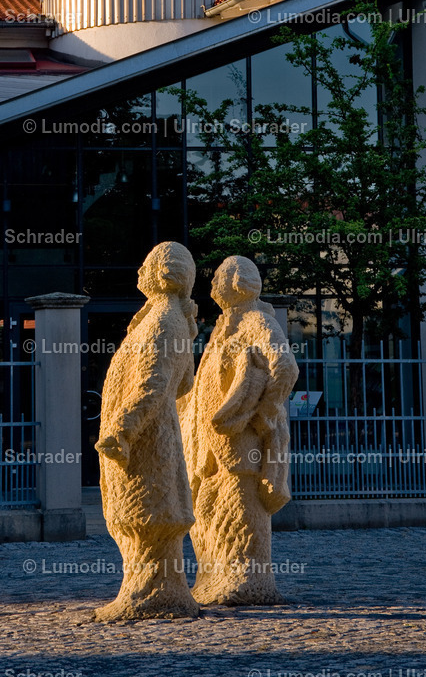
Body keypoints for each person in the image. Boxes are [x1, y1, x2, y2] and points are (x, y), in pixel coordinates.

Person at [179, 255, 299, 605]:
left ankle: (245, 582)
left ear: (234, 283)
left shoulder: (258, 321)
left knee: (241, 513)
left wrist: (263, 411)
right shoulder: (223, 326)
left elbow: (285, 367)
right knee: (208, 515)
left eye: (217, 278)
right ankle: (213, 578)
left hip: (241, 444)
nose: (212, 285)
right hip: (210, 446)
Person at [94, 241, 199, 621]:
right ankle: (152, 591)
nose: (139, 272)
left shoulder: (163, 319)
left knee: (146, 513)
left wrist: (122, 430)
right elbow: (184, 383)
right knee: (142, 512)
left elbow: (153, 383)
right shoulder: (167, 317)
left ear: (157, 272)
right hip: (153, 434)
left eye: (144, 265)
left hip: (145, 439)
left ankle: (153, 594)